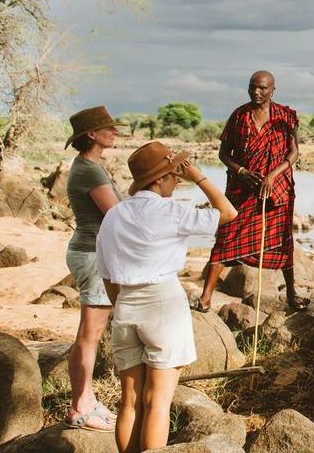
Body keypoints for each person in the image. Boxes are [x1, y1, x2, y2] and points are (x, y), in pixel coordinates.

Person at [96, 141, 237, 453]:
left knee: (130, 401)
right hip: (162, 305)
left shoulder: (113, 217)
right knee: (157, 402)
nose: (179, 179)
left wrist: (122, 306)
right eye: (175, 173)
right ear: (158, 179)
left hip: (126, 307)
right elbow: (227, 212)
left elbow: (107, 276)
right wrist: (199, 176)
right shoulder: (172, 212)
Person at [194, 70, 306, 312]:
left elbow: (293, 153)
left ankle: (291, 294)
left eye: (262, 88)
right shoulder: (239, 116)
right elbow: (223, 154)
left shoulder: (285, 117)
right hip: (241, 191)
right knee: (225, 239)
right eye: (252, 87)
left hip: (277, 191)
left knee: (282, 241)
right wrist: (242, 171)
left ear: (272, 90)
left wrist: (272, 176)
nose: (256, 92)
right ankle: (205, 299)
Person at [62, 105, 122, 432]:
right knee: (89, 335)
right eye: (108, 128)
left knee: (90, 335)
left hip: (90, 251)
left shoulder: (89, 165)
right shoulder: (90, 170)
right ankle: (80, 408)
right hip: (93, 254)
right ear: (91, 135)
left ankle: (87, 399)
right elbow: (116, 214)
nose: (115, 132)